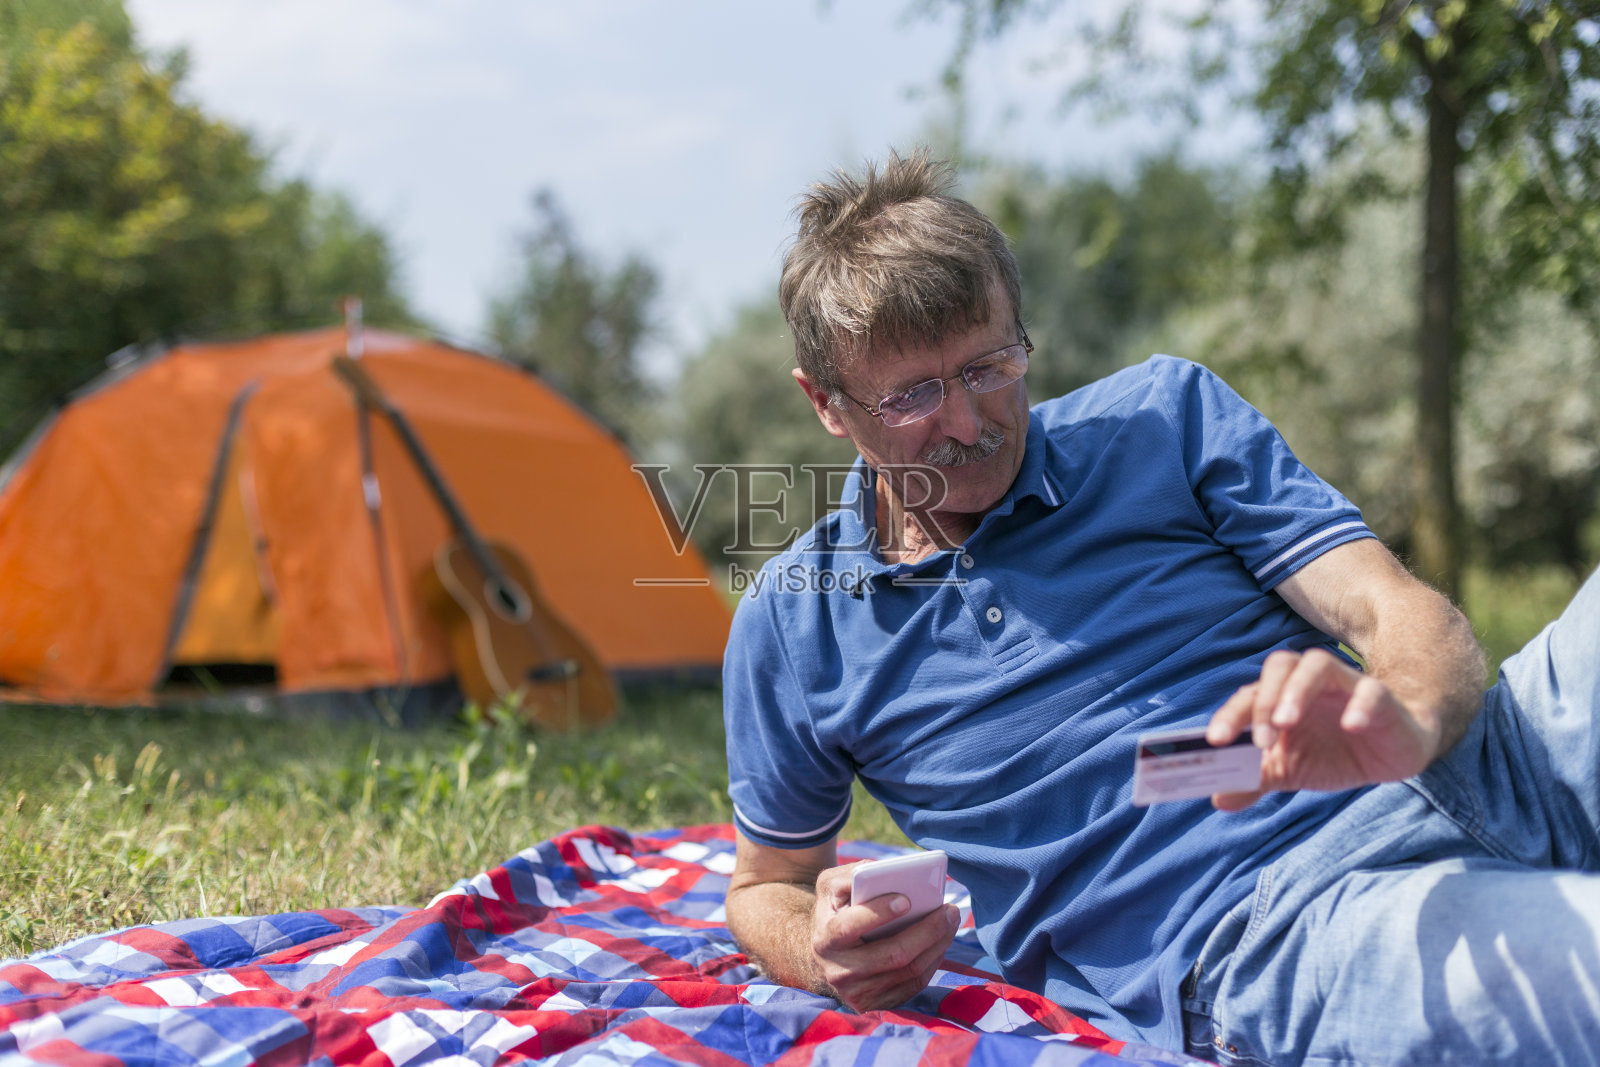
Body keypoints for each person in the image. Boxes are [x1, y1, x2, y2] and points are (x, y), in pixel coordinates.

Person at [720, 146, 1600, 1065]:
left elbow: (1392, 606)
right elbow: (764, 886)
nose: (970, 425)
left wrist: (1408, 717)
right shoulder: (793, 622)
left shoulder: (1164, 414)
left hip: (1491, 760)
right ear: (825, 402)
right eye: (913, 397)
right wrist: (818, 950)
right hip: (1282, 924)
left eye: (990, 366)